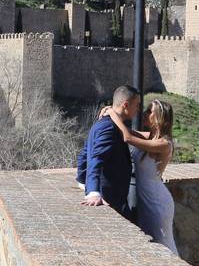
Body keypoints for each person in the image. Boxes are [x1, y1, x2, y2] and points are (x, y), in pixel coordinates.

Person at [101, 98, 178, 255]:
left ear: (159, 118)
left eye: (150, 111)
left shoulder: (164, 143)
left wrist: (112, 113)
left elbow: (128, 137)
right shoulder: (150, 137)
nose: (144, 113)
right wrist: (113, 113)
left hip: (158, 201)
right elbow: (127, 131)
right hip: (146, 197)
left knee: (163, 242)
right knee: (153, 243)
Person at [76, 85, 140, 223]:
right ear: (126, 105)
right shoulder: (109, 127)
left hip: (115, 196)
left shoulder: (103, 123)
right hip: (110, 197)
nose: (138, 110)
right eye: (137, 105)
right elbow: (96, 158)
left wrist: (82, 179)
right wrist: (93, 191)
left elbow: (84, 154)